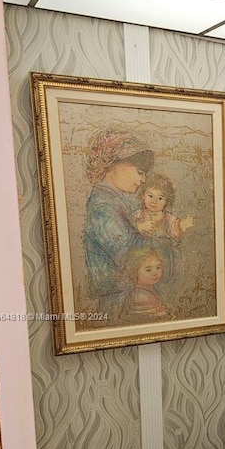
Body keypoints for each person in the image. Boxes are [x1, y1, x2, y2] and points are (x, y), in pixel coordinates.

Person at [83, 128, 154, 320]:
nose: (143, 180)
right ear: (114, 165)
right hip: (117, 298)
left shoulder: (115, 201)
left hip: (125, 293)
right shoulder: (103, 206)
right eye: (140, 172)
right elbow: (127, 254)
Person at [118, 247, 173, 324]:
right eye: (148, 270)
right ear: (135, 271)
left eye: (158, 267)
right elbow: (159, 321)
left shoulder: (149, 291)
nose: (155, 273)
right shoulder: (141, 297)